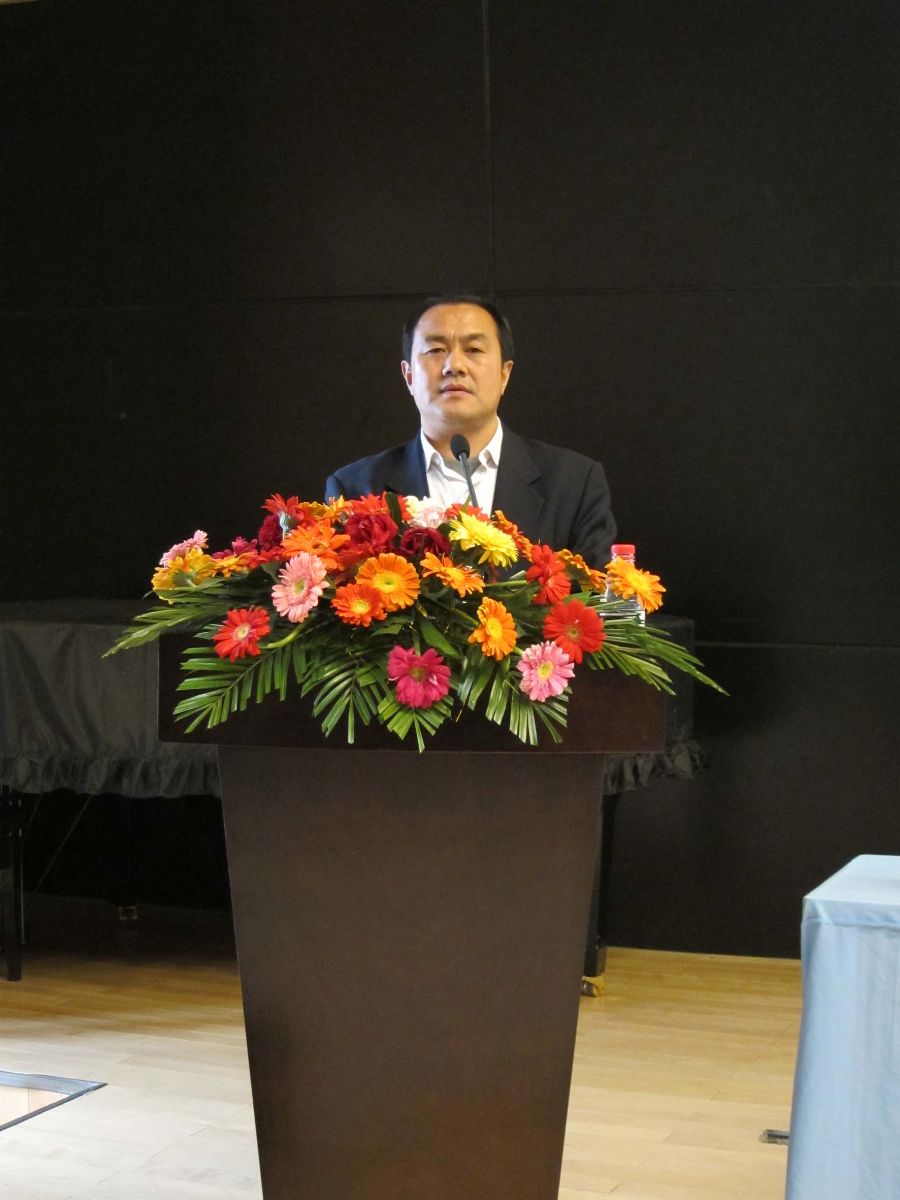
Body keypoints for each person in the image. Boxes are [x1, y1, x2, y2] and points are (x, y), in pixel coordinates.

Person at [323, 293, 616, 568]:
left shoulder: (574, 484)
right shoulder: (355, 490)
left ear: (504, 374)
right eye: (435, 350)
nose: (454, 365)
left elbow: (597, 599)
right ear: (409, 376)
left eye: (473, 349)